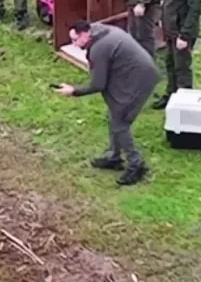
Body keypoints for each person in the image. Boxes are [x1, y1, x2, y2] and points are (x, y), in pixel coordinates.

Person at [54, 20, 159, 186]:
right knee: (113, 114)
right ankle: (114, 157)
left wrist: (74, 91)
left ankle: (136, 164)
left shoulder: (99, 49)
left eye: (75, 40)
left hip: (140, 79)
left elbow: (98, 84)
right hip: (132, 74)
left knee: (120, 121)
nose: (74, 44)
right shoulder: (101, 31)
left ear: (85, 34)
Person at [152, 0, 201, 110]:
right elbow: (167, 0)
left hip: (182, 33)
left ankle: (185, 103)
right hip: (170, 29)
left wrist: (185, 36)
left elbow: (194, 11)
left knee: (182, 67)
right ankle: (170, 95)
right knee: (170, 63)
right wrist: (162, 19)